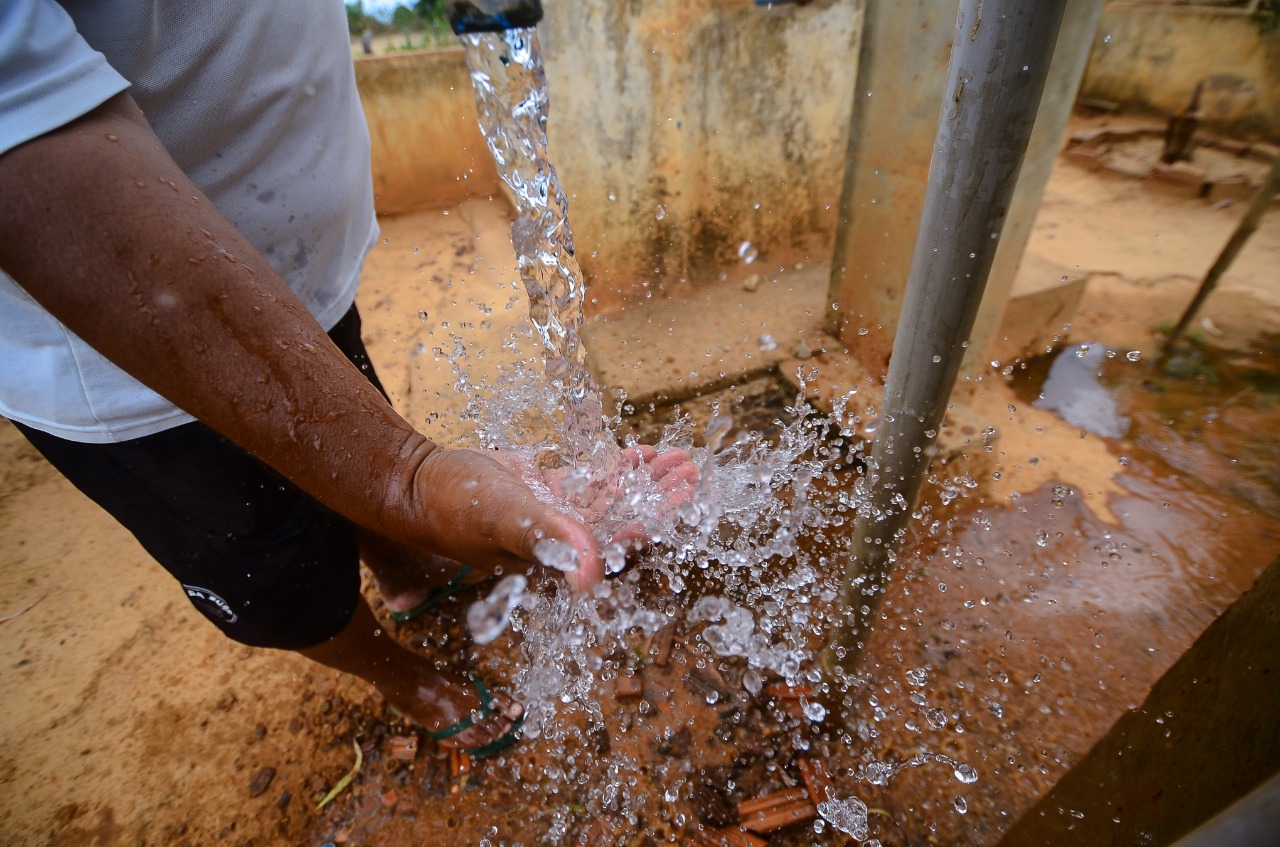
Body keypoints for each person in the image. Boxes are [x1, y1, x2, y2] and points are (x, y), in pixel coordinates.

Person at [0, 1, 696, 758]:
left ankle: (406, 571)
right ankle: (402, 678)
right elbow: (23, 133)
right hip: (136, 375)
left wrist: (397, 484)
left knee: (347, 443)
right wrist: (409, 476)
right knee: (278, 572)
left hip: (310, 287)